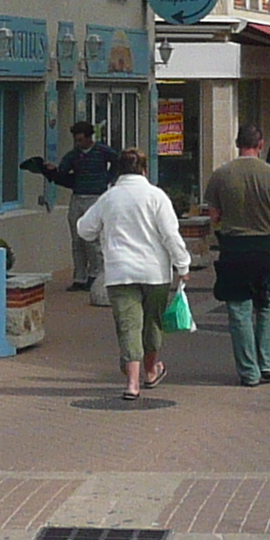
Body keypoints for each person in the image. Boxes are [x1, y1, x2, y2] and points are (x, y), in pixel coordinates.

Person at [76, 149, 190, 400]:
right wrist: (183, 265)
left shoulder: (109, 198)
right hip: (155, 273)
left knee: (128, 326)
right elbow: (170, 234)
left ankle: (132, 383)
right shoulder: (156, 196)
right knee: (152, 324)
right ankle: (150, 370)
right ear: (144, 170)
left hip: (120, 272)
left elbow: (84, 229)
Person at [200, 126, 270, 387]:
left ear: (236, 143)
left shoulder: (221, 175)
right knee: (267, 304)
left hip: (233, 248)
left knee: (239, 309)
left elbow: (214, 217)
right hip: (265, 248)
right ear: (261, 144)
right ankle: (268, 363)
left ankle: (249, 371)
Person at [22, 122, 118, 291]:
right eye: (76, 140)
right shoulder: (73, 155)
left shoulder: (102, 151)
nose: (78, 143)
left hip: (95, 198)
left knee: (92, 240)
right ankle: (79, 277)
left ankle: (95, 275)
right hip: (77, 197)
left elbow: (117, 162)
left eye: (81, 140)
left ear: (89, 138)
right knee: (77, 240)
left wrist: (109, 179)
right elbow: (62, 173)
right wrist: (50, 169)